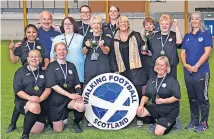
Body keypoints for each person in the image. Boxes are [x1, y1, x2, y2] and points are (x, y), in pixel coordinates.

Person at [6, 24, 49, 133]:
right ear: (25, 34)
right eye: (29, 32)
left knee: (40, 96)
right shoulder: (21, 45)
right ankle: (12, 124)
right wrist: (11, 50)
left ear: (37, 33)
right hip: (26, 74)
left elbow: (46, 58)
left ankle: (42, 119)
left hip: (39, 74)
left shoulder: (41, 45)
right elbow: (14, 60)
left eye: (33, 32)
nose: (31, 34)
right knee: (22, 97)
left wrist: (46, 67)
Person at [110, 16, 147, 126]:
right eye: (121, 22)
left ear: (128, 24)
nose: (123, 24)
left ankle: (139, 116)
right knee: (124, 93)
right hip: (122, 70)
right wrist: (114, 70)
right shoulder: (114, 38)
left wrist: (145, 51)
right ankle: (128, 115)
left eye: (125, 22)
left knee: (137, 92)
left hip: (136, 69)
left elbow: (143, 48)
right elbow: (112, 55)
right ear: (118, 24)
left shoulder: (136, 35)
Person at [180, 11, 213, 133]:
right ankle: (194, 121)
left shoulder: (206, 34)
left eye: (197, 19)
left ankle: (203, 123)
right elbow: (183, 52)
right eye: (192, 19)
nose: (194, 21)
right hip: (188, 71)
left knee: (202, 98)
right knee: (192, 98)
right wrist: (186, 65)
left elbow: (207, 52)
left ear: (201, 21)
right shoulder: (187, 35)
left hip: (201, 71)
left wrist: (197, 65)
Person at [136, 56, 180, 136]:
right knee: (139, 113)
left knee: (158, 133)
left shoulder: (172, 80)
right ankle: (158, 120)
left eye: (162, 65)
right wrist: (141, 106)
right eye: (157, 65)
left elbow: (176, 97)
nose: (159, 67)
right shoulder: (152, 80)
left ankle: (173, 122)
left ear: (166, 67)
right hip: (156, 107)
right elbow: (146, 96)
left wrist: (163, 101)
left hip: (169, 110)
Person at [46, 42, 85, 133]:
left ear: (67, 51)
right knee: (58, 130)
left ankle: (76, 123)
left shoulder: (71, 65)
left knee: (81, 106)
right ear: (55, 52)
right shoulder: (51, 66)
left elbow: (76, 82)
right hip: (56, 99)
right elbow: (53, 85)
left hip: (69, 97)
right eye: (59, 50)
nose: (61, 52)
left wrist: (78, 93)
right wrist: (69, 95)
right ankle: (50, 118)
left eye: (63, 49)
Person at [13, 50, 51, 139]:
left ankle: (39, 119)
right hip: (24, 101)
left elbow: (48, 89)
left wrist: (40, 99)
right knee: (34, 105)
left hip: (41, 102)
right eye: (31, 57)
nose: (34, 59)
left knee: (35, 130)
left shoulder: (45, 72)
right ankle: (25, 135)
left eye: (36, 56)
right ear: (28, 59)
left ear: (40, 59)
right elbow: (18, 90)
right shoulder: (20, 71)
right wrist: (30, 98)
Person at [50, 16, 85, 85]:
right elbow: (52, 57)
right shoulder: (56, 39)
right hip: (61, 74)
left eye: (70, 24)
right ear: (62, 26)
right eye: (65, 24)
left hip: (78, 73)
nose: (67, 26)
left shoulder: (81, 38)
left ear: (74, 25)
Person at [148, 14, 182, 79]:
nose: (164, 26)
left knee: (171, 87)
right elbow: (150, 51)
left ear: (170, 25)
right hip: (156, 68)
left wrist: (176, 26)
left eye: (166, 24)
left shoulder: (174, 35)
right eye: (162, 24)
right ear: (159, 24)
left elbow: (179, 41)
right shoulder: (153, 36)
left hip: (171, 67)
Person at [82, 16, 112, 84]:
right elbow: (83, 52)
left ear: (101, 25)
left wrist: (101, 46)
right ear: (91, 25)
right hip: (90, 70)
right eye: (94, 23)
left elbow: (106, 51)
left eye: (98, 23)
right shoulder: (87, 37)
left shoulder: (106, 38)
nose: (96, 25)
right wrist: (87, 46)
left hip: (103, 69)